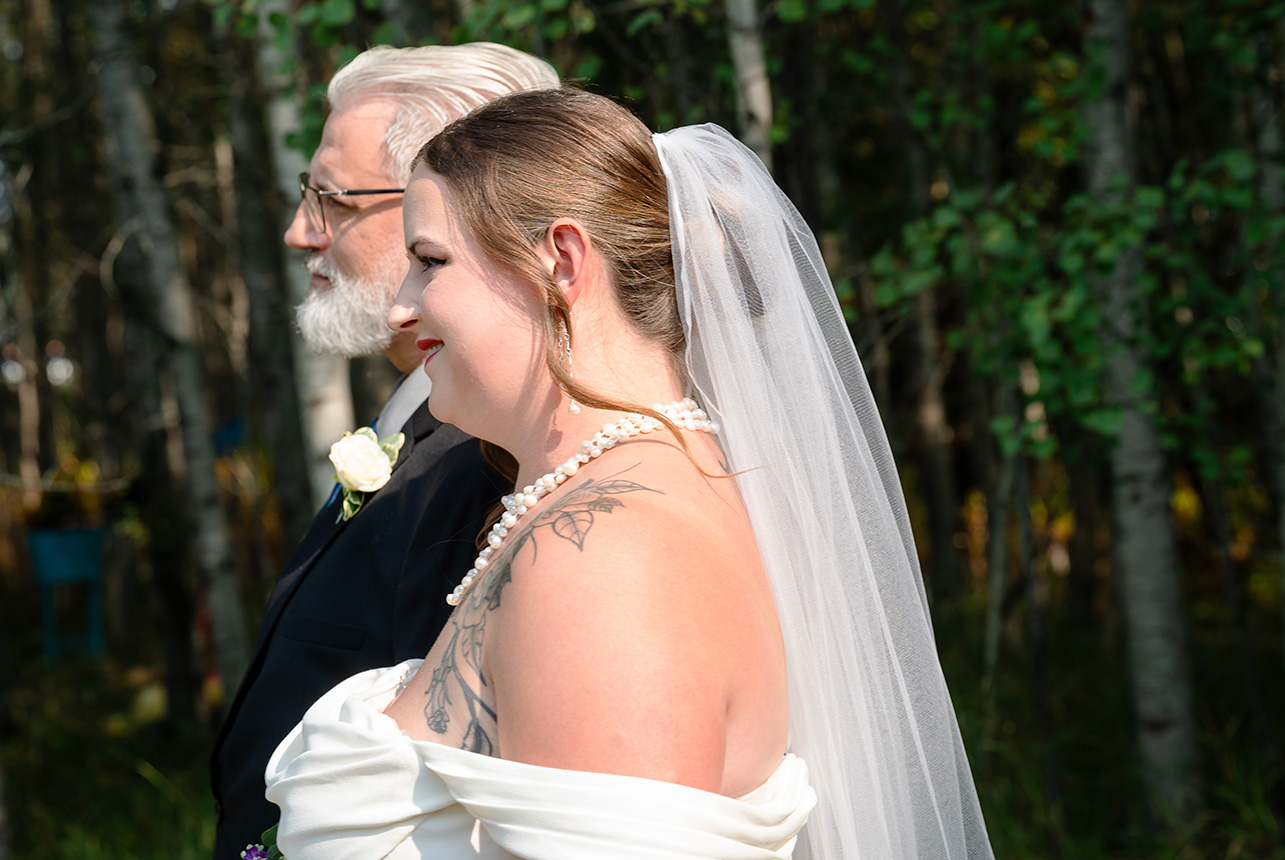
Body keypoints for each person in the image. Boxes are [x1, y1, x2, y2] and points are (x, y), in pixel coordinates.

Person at [264, 88, 993, 859]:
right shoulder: (622, 498)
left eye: (430, 262)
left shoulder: (606, 554)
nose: (403, 308)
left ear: (562, 261)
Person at [209, 44, 560, 859]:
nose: (302, 232)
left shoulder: (505, 458)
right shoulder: (422, 413)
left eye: (331, 199)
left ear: (451, 204)